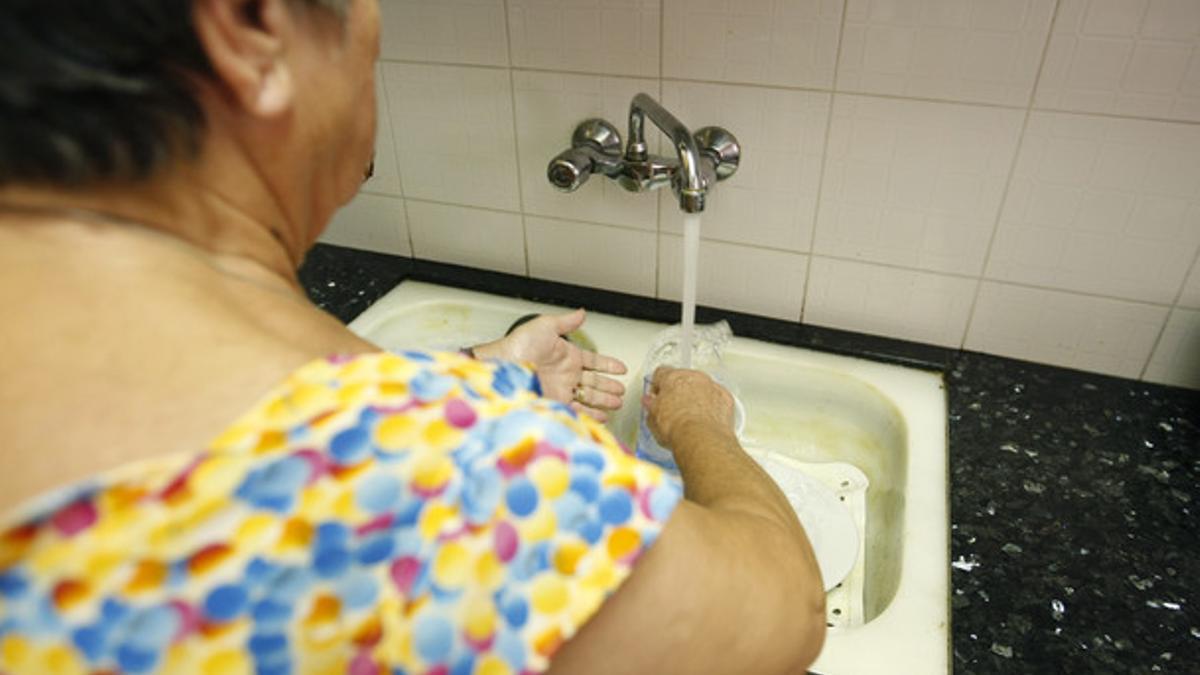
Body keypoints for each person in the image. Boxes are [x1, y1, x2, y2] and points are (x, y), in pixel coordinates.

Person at [0, 0, 826, 673]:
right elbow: (784, 612)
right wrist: (697, 426)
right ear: (249, 28)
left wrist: (474, 374)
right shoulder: (423, 468)